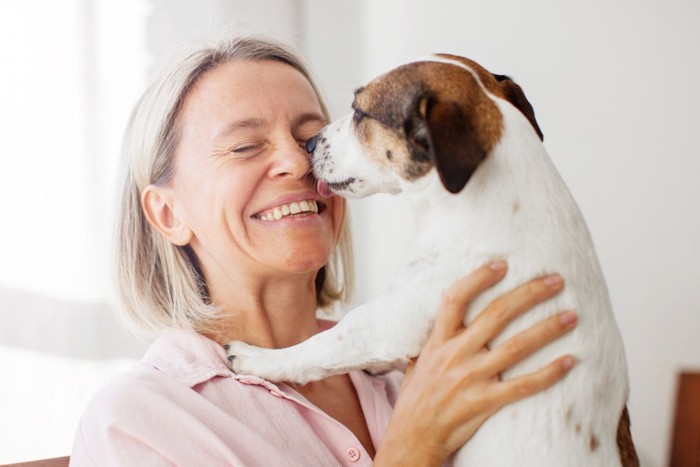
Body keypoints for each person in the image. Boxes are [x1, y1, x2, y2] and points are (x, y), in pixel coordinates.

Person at [70, 34, 577, 466]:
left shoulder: (428, 363)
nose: (297, 160)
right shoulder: (139, 422)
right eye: (246, 146)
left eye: (313, 138)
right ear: (167, 214)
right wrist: (412, 446)